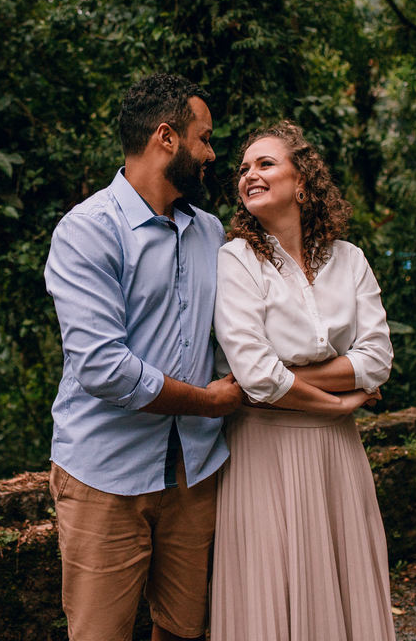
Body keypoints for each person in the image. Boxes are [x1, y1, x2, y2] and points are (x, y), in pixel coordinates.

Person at [44, 73, 243, 641]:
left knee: (183, 630)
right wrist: (208, 401)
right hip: (105, 477)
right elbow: (104, 368)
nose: (212, 153)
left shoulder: (210, 232)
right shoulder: (88, 231)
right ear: (166, 138)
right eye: (204, 138)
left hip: (193, 474)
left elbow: (241, 335)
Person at [210, 120, 396, 641]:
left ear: (304, 181)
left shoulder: (349, 259)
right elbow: (254, 376)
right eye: (243, 168)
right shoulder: (237, 260)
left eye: (265, 163)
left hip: (339, 454)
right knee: (274, 588)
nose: (250, 174)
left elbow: (378, 359)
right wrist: (337, 403)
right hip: (265, 451)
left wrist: (287, 379)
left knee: (343, 580)